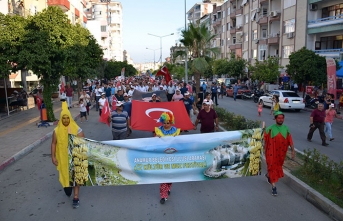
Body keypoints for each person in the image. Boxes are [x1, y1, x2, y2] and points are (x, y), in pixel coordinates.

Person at [51, 101, 85, 208]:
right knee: (67, 187)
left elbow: (83, 142)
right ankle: (68, 189)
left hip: (75, 158)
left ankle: (76, 197)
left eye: (67, 118)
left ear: (70, 118)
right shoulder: (56, 131)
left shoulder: (77, 129)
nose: (66, 120)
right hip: (63, 160)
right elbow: (53, 143)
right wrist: (53, 156)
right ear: (61, 119)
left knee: (75, 178)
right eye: (63, 118)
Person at [264, 111, 295, 196]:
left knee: (276, 167)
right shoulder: (270, 129)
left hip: (281, 154)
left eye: (282, 118)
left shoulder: (286, 129)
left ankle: (268, 175)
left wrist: (292, 151)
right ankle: (274, 187)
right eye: (279, 118)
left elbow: (290, 141)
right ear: (275, 119)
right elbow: (263, 139)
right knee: (271, 165)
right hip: (270, 152)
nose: (281, 120)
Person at [154, 112, 180, 204]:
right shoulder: (158, 130)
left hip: (173, 157)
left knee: (170, 175)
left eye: (167, 123)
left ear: (171, 122)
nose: (165, 124)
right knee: (164, 176)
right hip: (162, 157)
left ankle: (168, 187)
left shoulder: (175, 131)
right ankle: (163, 196)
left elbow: (179, 144)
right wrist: (156, 138)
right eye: (164, 122)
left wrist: (177, 138)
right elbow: (153, 143)